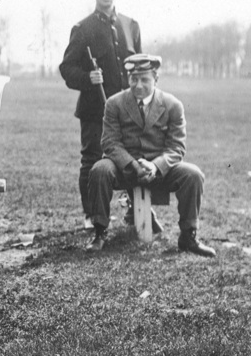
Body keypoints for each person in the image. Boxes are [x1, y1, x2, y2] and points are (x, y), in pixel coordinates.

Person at [86, 54, 215, 257]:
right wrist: (133, 165)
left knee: (193, 174)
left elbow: (176, 147)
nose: (138, 85)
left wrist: (155, 166)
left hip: (159, 171)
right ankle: (100, 232)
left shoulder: (173, 105)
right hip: (125, 169)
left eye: (144, 79)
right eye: (133, 79)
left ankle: (188, 237)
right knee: (99, 170)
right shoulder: (114, 103)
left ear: (156, 79)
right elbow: (110, 142)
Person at [59, 0, 141, 226]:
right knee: (92, 161)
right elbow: (67, 68)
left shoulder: (131, 26)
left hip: (128, 109)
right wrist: (87, 78)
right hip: (95, 110)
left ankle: (133, 210)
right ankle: (93, 215)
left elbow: (140, 67)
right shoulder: (82, 29)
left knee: (133, 157)